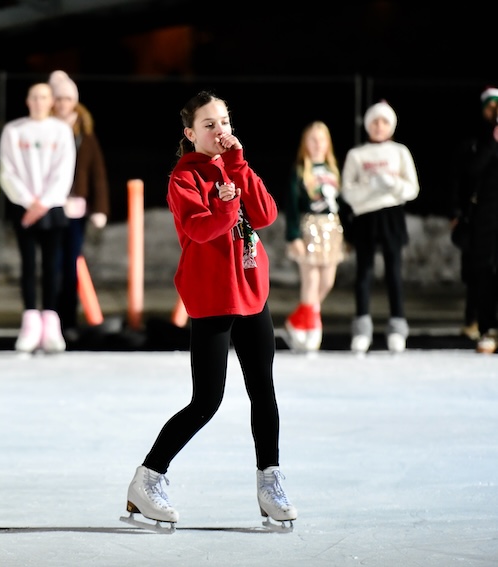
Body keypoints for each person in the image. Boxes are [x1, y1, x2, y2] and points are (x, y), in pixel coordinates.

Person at [121, 90, 297, 533]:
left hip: (251, 291)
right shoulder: (184, 177)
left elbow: (266, 214)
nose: (220, 131)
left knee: (264, 392)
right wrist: (226, 201)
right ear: (190, 133)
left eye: (224, 122)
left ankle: (270, 481)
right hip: (212, 296)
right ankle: (147, 478)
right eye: (209, 124)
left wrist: (238, 166)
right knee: (206, 400)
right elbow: (202, 230)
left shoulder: (235, 165)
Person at [0, 82, 76, 354]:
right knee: (28, 265)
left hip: (52, 206)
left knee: (52, 265)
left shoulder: (61, 130)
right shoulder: (13, 130)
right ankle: (30, 322)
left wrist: (43, 203)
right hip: (24, 206)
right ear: (27, 100)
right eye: (35, 97)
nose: (39, 102)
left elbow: (65, 169)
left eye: (44, 97)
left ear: (51, 101)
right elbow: (7, 170)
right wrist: (28, 201)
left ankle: (51, 324)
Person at [340, 100, 420, 354]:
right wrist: (370, 188)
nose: (379, 126)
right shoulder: (357, 154)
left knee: (393, 272)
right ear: (367, 125)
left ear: (391, 126)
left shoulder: (400, 152)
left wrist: (393, 185)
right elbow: (347, 192)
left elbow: (412, 189)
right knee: (364, 273)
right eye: (374, 121)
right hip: (365, 218)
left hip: (391, 215)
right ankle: (362, 329)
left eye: (384, 121)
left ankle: (397, 327)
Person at [48, 70, 110, 341]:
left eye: (67, 98)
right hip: (49, 205)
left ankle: (67, 322)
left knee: (70, 266)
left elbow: (97, 173)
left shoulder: (85, 133)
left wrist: (100, 208)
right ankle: (49, 320)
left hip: (75, 209)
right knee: (51, 266)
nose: (63, 104)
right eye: (58, 98)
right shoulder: (44, 129)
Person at [282, 121, 345, 352]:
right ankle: (312, 329)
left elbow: (342, 204)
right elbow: (291, 207)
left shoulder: (333, 170)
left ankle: (296, 321)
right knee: (311, 282)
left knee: (327, 281)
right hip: (309, 229)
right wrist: (294, 236)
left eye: (322, 139)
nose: (317, 144)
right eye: (313, 139)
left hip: (332, 230)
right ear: (305, 144)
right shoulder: (300, 171)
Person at [457, 87, 498, 354]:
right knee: (484, 272)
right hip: (486, 215)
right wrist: (493, 142)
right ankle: (487, 327)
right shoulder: (477, 140)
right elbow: (470, 172)